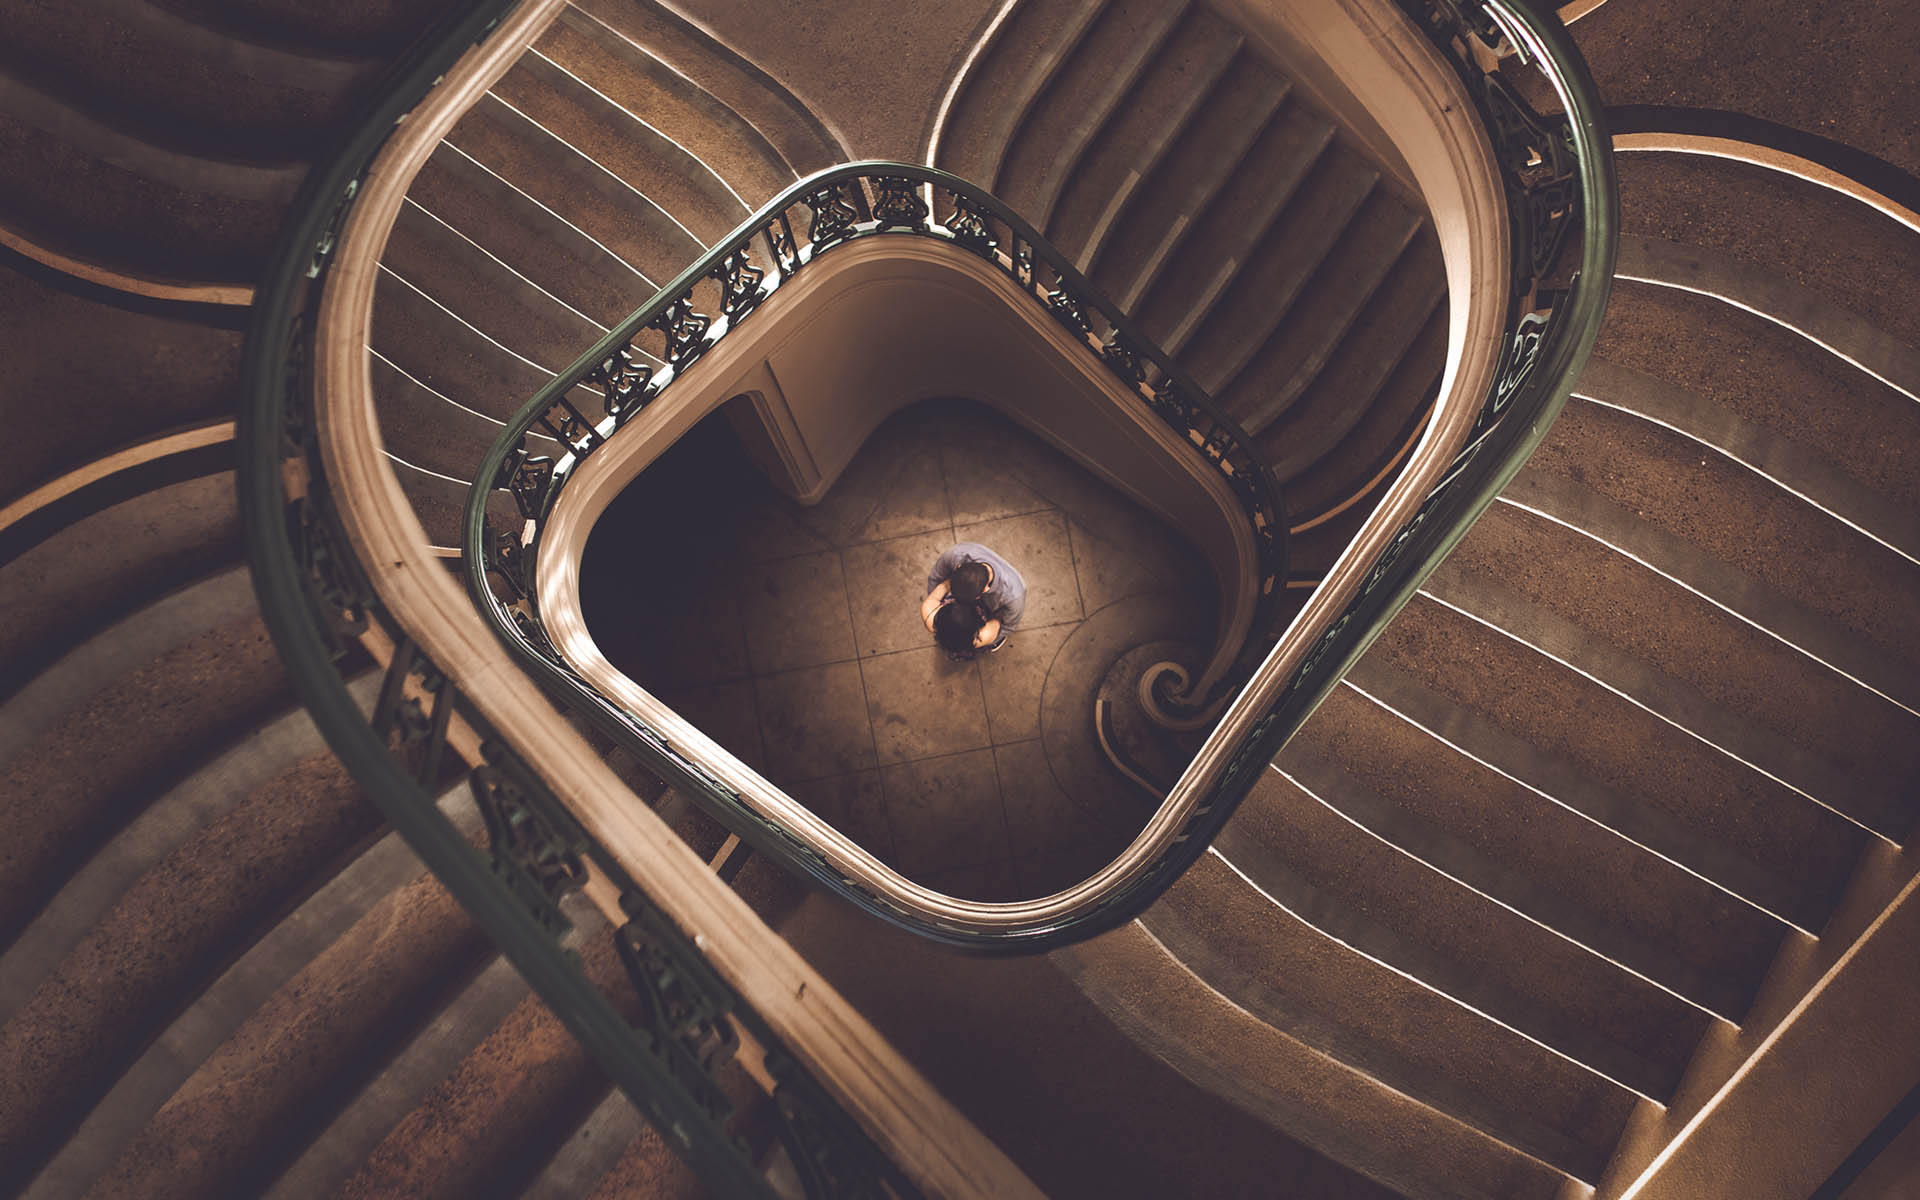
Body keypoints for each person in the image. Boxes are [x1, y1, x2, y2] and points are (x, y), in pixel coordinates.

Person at [922, 542, 1025, 658]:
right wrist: (994, 627)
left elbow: (936, 581)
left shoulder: (1014, 595)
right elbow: (1001, 624)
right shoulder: (983, 636)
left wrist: (947, 584)